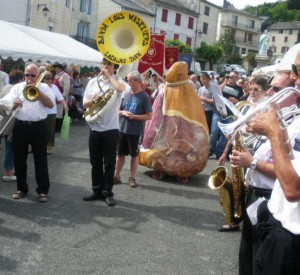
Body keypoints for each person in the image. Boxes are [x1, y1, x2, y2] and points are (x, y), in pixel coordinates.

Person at [245, 55, 300, 275]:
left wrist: (273, 132)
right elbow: (293, 160)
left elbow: (293, 189)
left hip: (292, 236)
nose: (294, 78)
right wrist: (277, 130)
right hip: (277, 222)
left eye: (297, 70)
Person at [217, 77, 269, 236]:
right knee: (236, 186)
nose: (251, 92)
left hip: (253, 154)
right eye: (251, 89)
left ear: (265, 91)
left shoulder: (266, 108)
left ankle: (249, 222)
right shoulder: (246, 105)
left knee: (248, 187)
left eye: (256, 90)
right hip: (239, 149)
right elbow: (236, 130)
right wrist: (225, 152)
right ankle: (234, 219)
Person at [0, 63, 54, 202]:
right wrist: (14, 104)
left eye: (32, 75)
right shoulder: (17, 88)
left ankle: (42, 190)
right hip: (20, 126)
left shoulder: (45, 87)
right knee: (19, 159)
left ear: (38, 76)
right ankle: (21, 188)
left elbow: (50, 105)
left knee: (40, 159)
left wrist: (39, 93)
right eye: (27, 75)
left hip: (38, 126)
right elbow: (7, 104)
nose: (29, 78)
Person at [82, 58, 130, 206]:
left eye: (109, 64)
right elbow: (85, 104)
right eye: (104, 64)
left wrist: (110, 76)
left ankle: (107, 192)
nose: (105, 66)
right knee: (95, 162)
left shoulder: (118, 81)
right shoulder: (92, 82)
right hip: (95, 128)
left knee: (109, 163)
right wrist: (92, 101)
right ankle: (96, 190)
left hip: (111, 129)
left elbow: (121, 90)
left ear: (114, 67)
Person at [114, 71, 152, 188]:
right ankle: (116, 176)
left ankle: (132, 178)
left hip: (135, 131)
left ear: (137, 82)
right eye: (128, 80)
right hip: (122, 129)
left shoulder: (144, 97)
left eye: (130, 80)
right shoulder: (125, 94)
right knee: (120, 154)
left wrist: (134, 117)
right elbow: (117, 110)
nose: (128, 82)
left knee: (134, 156)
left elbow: (149, 116)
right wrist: (122, 112)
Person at [0, 69, 24, 181]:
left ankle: (10, 170)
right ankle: (8, 172)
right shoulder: (16, 89)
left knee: (9, 147)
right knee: (11, 148)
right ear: (21, 79)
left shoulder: (5, 87)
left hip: (3, 121)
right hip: (11, 122)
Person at [43, 71, 68, 154]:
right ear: (43, 78)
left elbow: (60, 98)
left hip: (51, 112)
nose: (50, 80)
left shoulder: (54, 87)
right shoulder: (39, 86)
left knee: (50, 131)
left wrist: (65, 105)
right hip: (40, 112)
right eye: (47, 78)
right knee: (39, 130)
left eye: (51, 78)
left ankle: (49, 146)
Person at [53, 62, 70, 132]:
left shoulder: (65, 75)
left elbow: (67, 87)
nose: (55, 69)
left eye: (56, 68)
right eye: (55, 68)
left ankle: (59, 128)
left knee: (60, 113)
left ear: (60, 68)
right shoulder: (56, 75)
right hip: (55, 96)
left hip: (61, 96)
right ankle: (55, 127)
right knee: (55, 112)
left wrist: (63, 96)